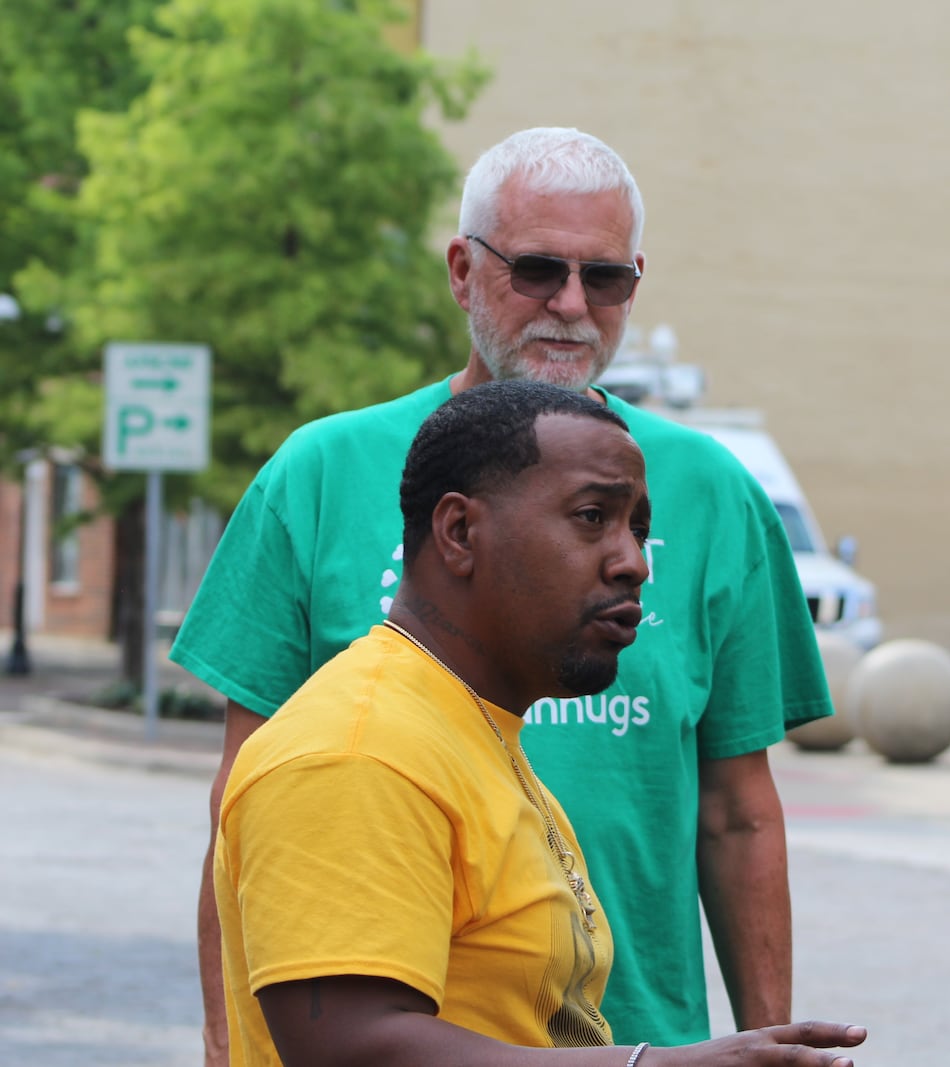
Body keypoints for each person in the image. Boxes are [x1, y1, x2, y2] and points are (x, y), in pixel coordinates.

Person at [174, 127, 832, 1064]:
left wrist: (755, 1041)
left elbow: (740, 808)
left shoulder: (716, 487)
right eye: (536, 269)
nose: (572, 304)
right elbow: (245, 806)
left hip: (623, 1025)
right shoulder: (318, 478)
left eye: (605, 278)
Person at [215, 378, 866, 1067]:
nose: (633, 562)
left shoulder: (475, 730)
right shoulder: (354, 751)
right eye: (593, 517)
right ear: (460, 531)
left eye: (638, 527)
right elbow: (350, 1046)